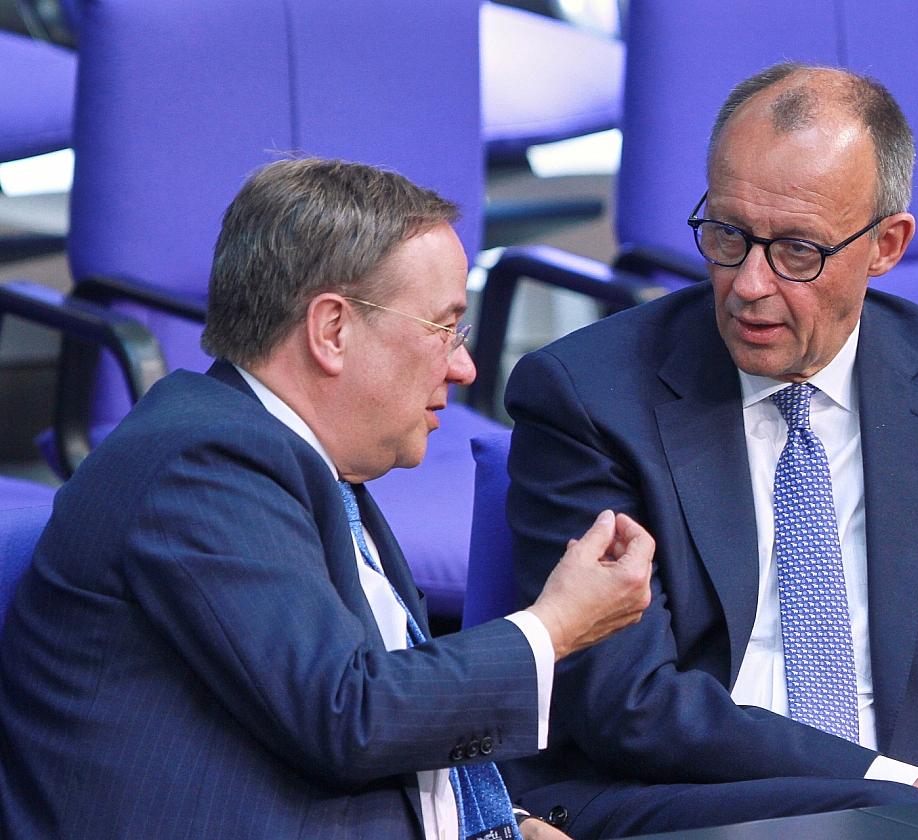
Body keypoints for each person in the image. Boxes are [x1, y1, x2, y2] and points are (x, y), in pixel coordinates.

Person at [501, 63, 918, 837]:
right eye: (727, 235)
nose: (749, 284)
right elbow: (626, 704)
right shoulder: (589, 396)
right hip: (682, 804)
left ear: (887, 245)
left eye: (797, 251)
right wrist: (900, 785)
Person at [0, 158, 654, 840]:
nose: (464, 367)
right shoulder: (199, 464)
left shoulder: (308, 466)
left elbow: (328, 711)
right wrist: (555, 625)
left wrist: (499, 822)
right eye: (444, 328)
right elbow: (349, 716)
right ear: (332, 330)